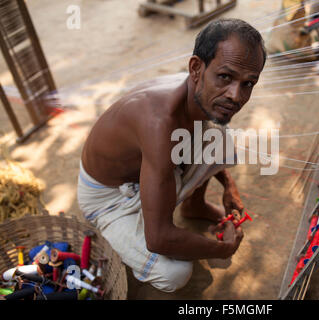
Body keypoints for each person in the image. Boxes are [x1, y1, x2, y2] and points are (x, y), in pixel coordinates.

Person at [77, 18, 266, 293]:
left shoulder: (197, 92)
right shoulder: (159, 122)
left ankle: (194, 207)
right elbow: (158, 238)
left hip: (147, 168)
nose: (236, 96)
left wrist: (228, 186)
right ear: (196, 68)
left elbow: (202, 139)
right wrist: (222, 249)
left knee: (219, 141)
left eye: (248, 83)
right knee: (174, 273)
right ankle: (110, 229)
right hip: (108, 198)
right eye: (225, 77)